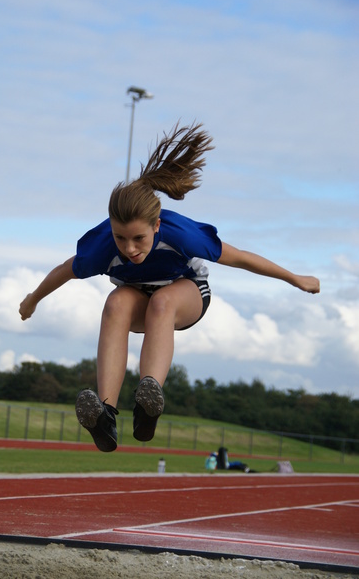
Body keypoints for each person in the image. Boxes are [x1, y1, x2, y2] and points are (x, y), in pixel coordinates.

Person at [19, 123, 320, 453]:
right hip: (137, 298)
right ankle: (105, 414)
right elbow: (64, 271)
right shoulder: (104, 246)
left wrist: (294, 278)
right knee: (116, 303)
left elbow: (241, 259)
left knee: (161, 302)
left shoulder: (181, 234)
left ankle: (149, 400)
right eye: (120, 238)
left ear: (157, 225)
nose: (129, 248)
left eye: (139, 239)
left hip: (185, 293)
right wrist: (33, 300)